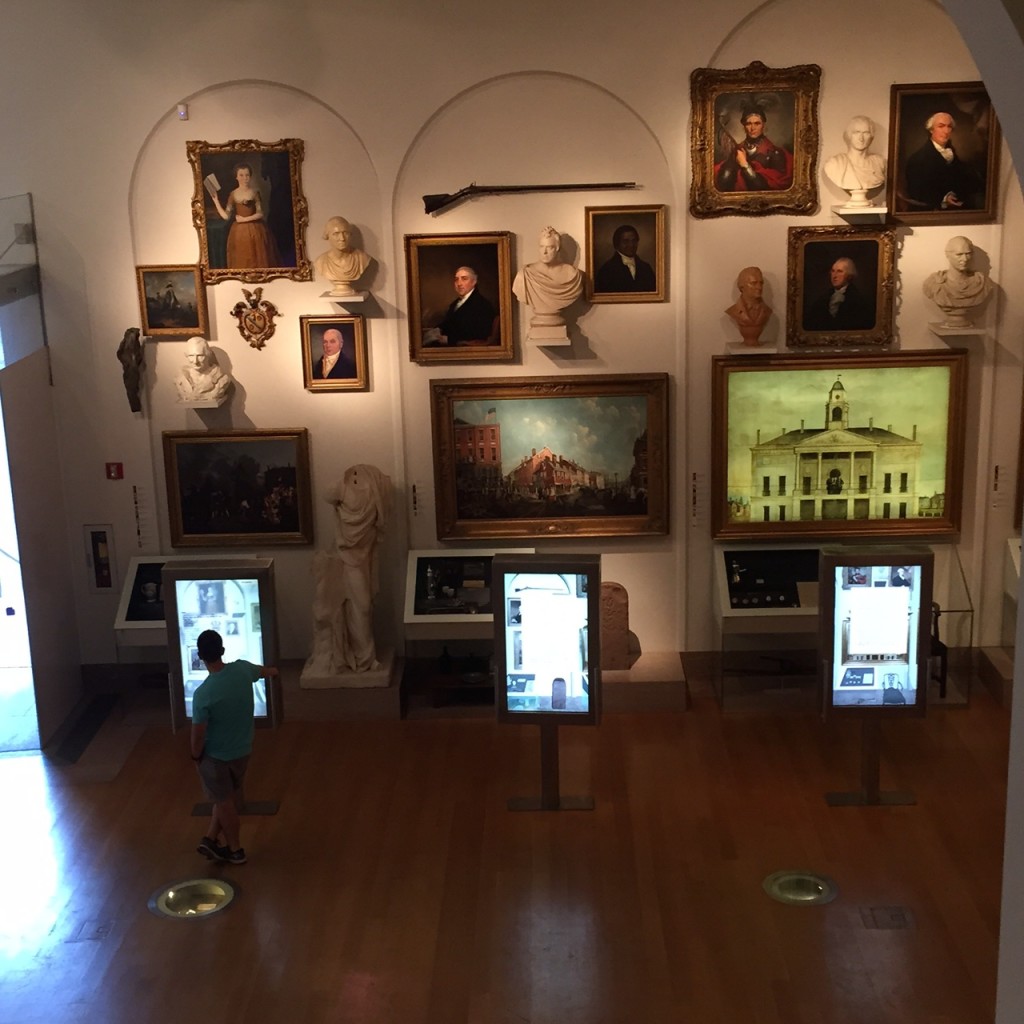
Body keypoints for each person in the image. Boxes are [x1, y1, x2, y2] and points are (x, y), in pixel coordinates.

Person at [191, 628, 279, 865]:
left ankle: (236, 850)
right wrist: (275, 671)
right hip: (243, 751)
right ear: (222, 650)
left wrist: (195, 756)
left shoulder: (203, 695)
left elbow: (198, 736)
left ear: (200, 656)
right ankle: (210, 839)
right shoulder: (242, 670)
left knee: (225, 802)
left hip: (216, 757)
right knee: (225, 797)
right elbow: (265, 672)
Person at [304, 464, 392, 676]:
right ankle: (364, 658)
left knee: (363, 607)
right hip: (346, 561)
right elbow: (328, 493)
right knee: (361, 606)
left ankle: (364, 658)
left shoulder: (374, 495)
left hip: (359, 561)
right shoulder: (345, 496)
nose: (355, 480)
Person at [903, 111, 984, 211]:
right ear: (931, 130)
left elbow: (964, 180)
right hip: (932, 212)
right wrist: (943, 199)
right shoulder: (918, 159)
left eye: (949, 126)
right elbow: (916, 191)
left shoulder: (952, 154)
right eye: (941, 126)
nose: (946, 131)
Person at [207, 162, 281, 269]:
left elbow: (260, 213)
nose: (244, 178)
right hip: (239, 233)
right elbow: (226, 216)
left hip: (256, 230)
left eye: (247, 175)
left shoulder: (255, 192)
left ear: (250, 176)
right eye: (241, 175)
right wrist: (216, 201)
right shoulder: (233, 194)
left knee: (259, 258)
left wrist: (244, 219)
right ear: (236, 177)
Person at [513, 227, 584, 335]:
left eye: (550, 247)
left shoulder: (572, 275)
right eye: (542, 247)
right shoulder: (525, 275)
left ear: (557, 248)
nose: (544, 252)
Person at [714, 106, 793, 192]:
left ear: (763, 125)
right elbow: (723, 183)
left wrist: (745, 165)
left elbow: (767, 188)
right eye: (748, 123)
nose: (752, 128)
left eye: (757, 123)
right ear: (744, 126)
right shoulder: (738, 150)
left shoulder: (774, 153)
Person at [922, 235, 993, 327]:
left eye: (968, 253)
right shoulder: (933, 283)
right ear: (947, 255)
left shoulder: (982, 283)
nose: (965, 259)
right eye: (959, 254)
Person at [824, 116, 886, 202]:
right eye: (856, 132)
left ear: (871, 136)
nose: (861, 138)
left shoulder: (879, 163)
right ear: (849, 135)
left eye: (866, 133)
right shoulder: (835, 164)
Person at [804, 257, 874, 332]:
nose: (834, 276)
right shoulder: (822, 299)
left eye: (839, 271)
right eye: (833, 271)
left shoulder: (858, 299)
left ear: (849, 276)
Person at [436, 266, 498, 344]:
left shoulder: (482, 305)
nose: (459, 283)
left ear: (474, 281)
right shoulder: (454, 304)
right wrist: (437, 329)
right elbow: (449, 323)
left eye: (464, 279)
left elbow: (480, 334)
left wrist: (449, 340)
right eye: (456, 279)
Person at [313, 216, 371, 295]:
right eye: (336, 234)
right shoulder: (321, 262)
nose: (342, 238)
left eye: (345, 233)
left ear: (350, 235)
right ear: (327, 236)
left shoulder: (362, 258)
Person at [593, 224, 656, 293]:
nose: (631, 245)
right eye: (626, 241)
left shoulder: (646, 268)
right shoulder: (606, 270)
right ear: (617, 243)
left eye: (634, 241)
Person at [174, 336, 233, 404]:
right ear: (186, 355)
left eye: (200, 356)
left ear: (208, 355)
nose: (195, 361)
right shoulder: (180, 378)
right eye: (191, 356)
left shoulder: (221, 379)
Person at [724, 266, 772, 345]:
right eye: (753, 283)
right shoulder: (734, 311)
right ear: (741, 287)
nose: (759, 287)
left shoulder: (767, 311)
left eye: (761, 283)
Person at [116, 327, 144, 412]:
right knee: (131, 389)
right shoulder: (125, 346)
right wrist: (128, 362)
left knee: (133, 388)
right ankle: (135, 406)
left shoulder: (134, 347)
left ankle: (135, 406)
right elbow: (120, 354)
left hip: (132, 368)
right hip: (129, 369)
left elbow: (138, 357)